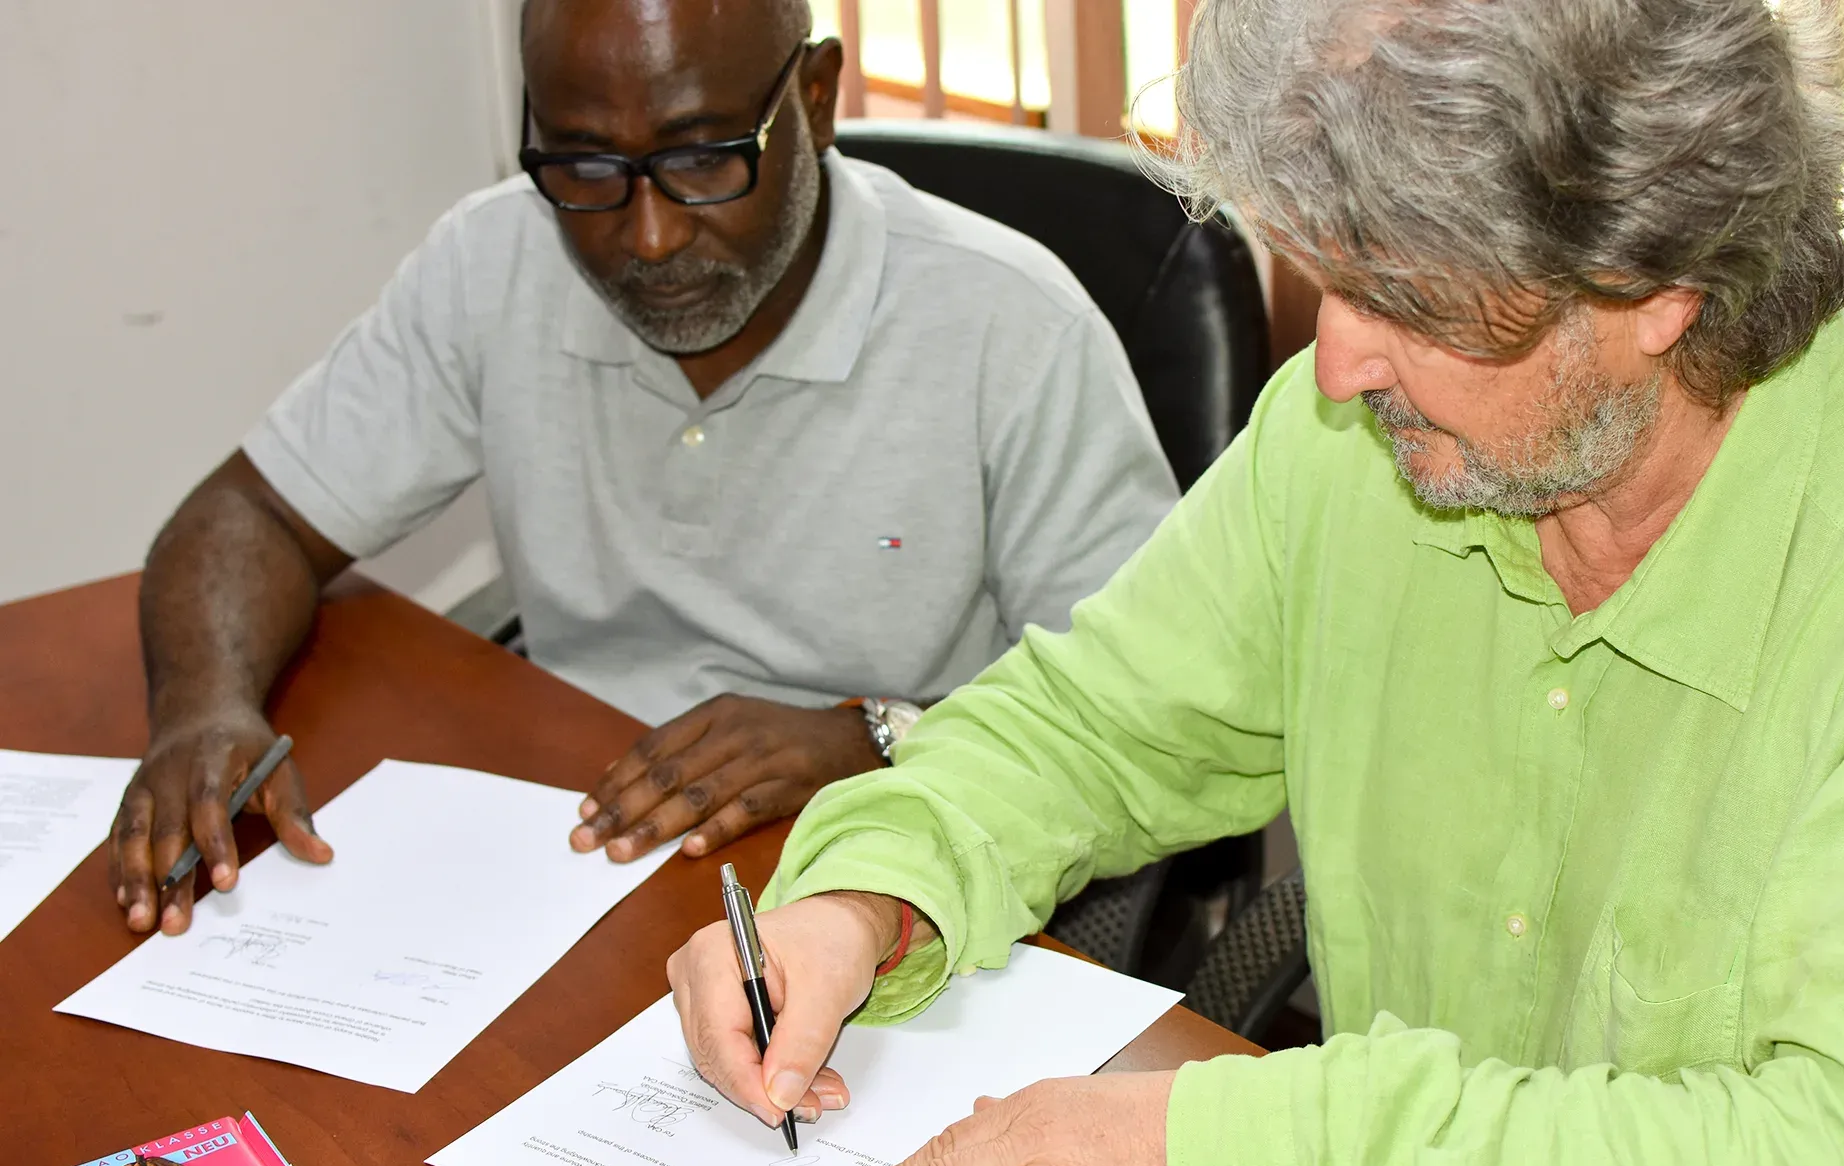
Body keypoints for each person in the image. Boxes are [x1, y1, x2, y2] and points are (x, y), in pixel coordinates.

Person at [666, 0, 1844, 1166]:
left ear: (1653, 282)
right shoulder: (1354, 458)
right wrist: (864, 892)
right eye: (1331, 277)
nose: (1335, 366)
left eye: (1407, 298)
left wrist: (1252, 1146)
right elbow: (1089, 724)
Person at [106, 0, 1179, 936]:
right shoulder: (496, 261)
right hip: (569, 869)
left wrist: (879, 738)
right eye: (584, 166)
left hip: (891, 887)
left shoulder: (1012, 327)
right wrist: (203, 707)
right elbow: (255, 512)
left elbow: (1151, 729)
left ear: (814, 98)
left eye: (703, 157)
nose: (650, 236)